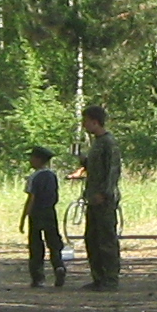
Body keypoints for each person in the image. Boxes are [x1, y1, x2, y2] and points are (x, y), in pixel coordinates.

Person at [74, 102, 123, 288]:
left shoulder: (109, 143)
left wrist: (105, 193)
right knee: (92, 239)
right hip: (93, 199)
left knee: (106, 240)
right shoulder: (97, 144)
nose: (85, 125)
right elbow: (97, 169)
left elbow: (113, 171)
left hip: (104, 200)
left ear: (96, 122)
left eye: (86, 121)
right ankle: (98, 277)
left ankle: (110, 279)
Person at [21, 147, 68, 287]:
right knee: (54, 242)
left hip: (36, 213)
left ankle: (38, 277)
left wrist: (24, 217)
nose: (30, 160)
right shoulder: (52, 176)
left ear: (38, 159)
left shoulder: (34, 177)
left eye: (32, 157)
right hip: (50, 212)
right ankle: (58, 266)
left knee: (36, 245)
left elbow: (31, 198)